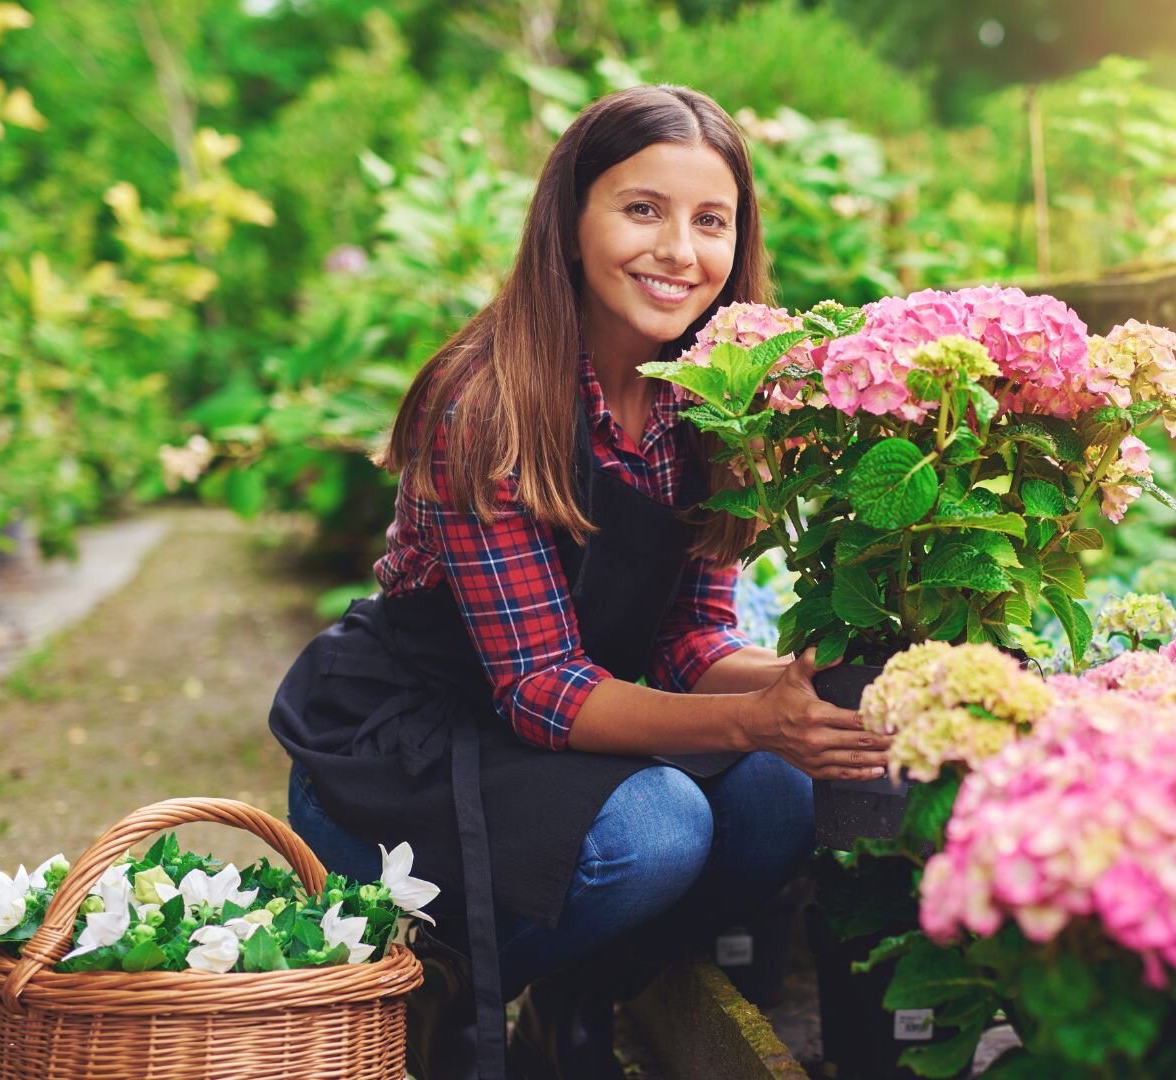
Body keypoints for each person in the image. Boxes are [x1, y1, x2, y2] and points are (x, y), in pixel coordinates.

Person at [268, 85, 892, 1080]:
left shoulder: (710, 397)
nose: (678, 251)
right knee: (661, 828)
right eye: (642, 209)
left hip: (563, 746)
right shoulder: (490, 399)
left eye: (710, 221)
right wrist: (750, 722)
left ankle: (575, 997)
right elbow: (539, 684)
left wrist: (803, 691)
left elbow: (691, 644)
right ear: (568, 223)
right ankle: (432, 990)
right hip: (413, 751)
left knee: (783, 792)